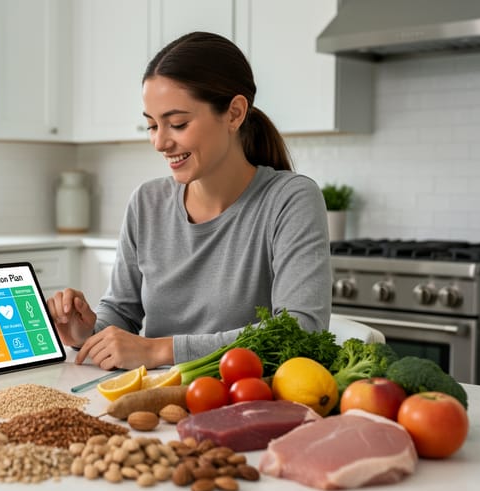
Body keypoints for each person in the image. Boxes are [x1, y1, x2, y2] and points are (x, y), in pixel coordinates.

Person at [47, 31, 332, 371]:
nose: (160, 142)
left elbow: (301, 332)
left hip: (239, 403)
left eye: (178, 124)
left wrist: (157, 351)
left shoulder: (289, 199)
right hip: (150, 402)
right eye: (152, 125)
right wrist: (86, 332)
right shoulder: (146, 201)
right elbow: (122, 314)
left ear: (234, 113)